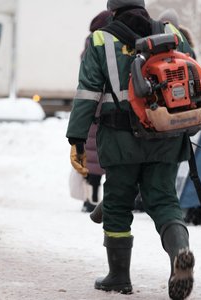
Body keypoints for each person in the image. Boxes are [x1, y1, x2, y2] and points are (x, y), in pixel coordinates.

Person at [66, 1, 196, 299]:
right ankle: (180, 250)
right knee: (164, 200)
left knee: (117, 203)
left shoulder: (101, 39)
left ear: (112, 8)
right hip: (165, 133)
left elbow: (87, 91)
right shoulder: (170, 31)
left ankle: (119, 275)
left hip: (120, 137)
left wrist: (76, 138)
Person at [80, 10, 112, 213]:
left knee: (92, 156)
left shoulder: (89, 44)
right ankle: (94, 200)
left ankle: (90, 199)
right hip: (103, 105)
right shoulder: (103, 44)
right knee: (99, 155)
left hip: (92, 107)